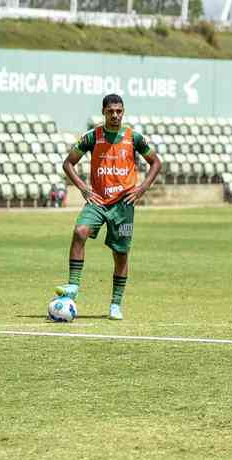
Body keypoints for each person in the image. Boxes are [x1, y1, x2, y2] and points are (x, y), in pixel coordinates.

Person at [54, 94, 162, 320]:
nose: (115, 115)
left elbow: (156, 162)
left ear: (123, 112)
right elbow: (68, 163)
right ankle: (73, 286)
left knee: (120, 254)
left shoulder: (134, 138)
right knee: (79, 231)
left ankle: (115, 304)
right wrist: (84, 188)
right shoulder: (93, 137)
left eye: (119, 111)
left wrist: (141, 189)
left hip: (124, 204)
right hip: (98, 201)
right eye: (111, 111)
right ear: (103, 112)